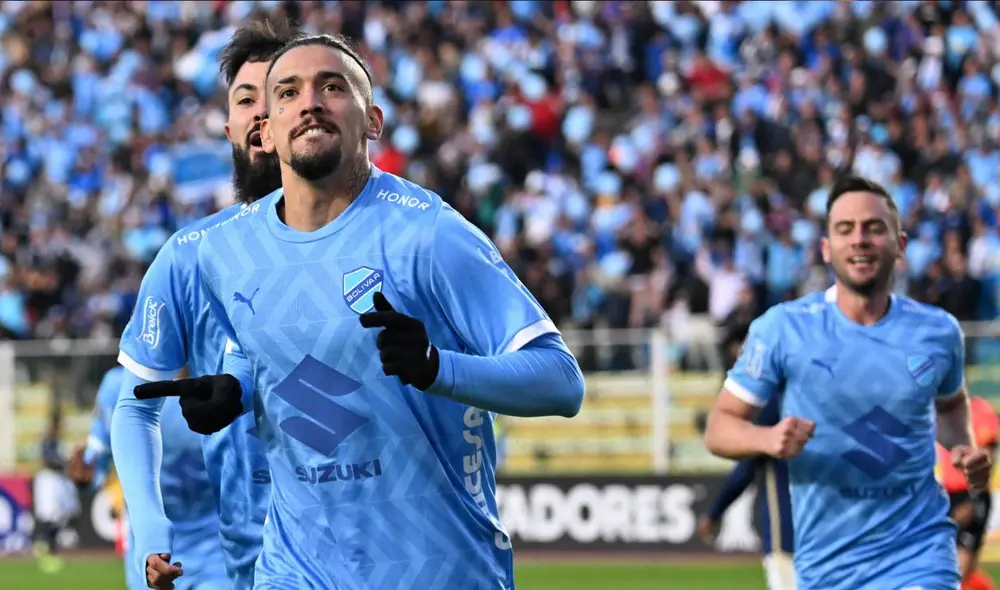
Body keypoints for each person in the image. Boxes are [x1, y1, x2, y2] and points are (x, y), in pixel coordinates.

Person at [134, 33, 585, 589]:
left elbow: (562, 382)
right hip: (294, 570)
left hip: (437, 569)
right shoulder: (228, 253)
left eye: (332, 86)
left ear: (371, 121)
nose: (310, 102)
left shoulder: (429, 235)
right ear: (267, 131)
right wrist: (237, 387)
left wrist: (437, 368)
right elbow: (274, 351)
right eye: (288, 92)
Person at [703, 174, 994, 590]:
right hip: (825, 565)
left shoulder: (939, 331)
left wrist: (963, 448)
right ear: (826, 248)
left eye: (874, 228)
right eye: (845, 229)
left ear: (901, 245)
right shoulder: (782, 329)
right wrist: (768, 440)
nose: (860, 239)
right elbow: (719, 428)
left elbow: (949, 408)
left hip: (918, 553)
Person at [110, 19, 294, 590]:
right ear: (229, 126)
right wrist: (150, 531)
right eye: (246, 98)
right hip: (250, 569)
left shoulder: (382, 241)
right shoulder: (188, 256)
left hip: (366, 553)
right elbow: (135, 407)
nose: (262, 111)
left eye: (280, 94)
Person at [697, 394, 794, 590]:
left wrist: (714, 513)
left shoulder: (771, 409)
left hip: (786, 530)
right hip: (831, 530)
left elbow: (744, 472)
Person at [935, 396, 1000, 590]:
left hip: (970, 493)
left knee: (959, 570)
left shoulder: (979, 409)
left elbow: (987, 456)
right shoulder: (936, 409)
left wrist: (973, 497)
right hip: (945, 495)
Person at [33, 413, 78, 574]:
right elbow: (49, 460)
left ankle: (48, 550)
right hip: (49, 479)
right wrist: (66, 463)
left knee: (60, 516)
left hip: (58, 479)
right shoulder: (48, 441)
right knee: (49, 515)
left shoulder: (56, 441)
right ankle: (43, 549)